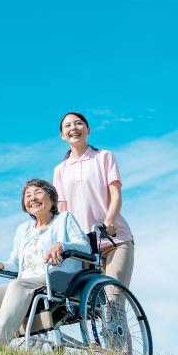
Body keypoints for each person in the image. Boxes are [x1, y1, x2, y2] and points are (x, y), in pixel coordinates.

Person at [0, 179, 90, 349]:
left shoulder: (64, 219)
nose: (32, 198)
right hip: (26, 282)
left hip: (56, 278)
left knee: (17, 285)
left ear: (51, 198)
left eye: (38, 193)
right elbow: (16, 263)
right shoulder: (23, 230)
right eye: (28, 195)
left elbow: (85, 245)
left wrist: (62, 245)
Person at [53, 112, 134, 288]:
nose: (73, 128)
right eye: (68, 125)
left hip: (114, 239)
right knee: (91, 302)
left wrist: (109, 221)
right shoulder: (60, 170)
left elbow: (116, 195)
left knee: (113, 297)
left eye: (78, 123)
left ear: (88, 129)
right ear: (62, 135)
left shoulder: (104, 157)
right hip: (84, 247)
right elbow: (63, 211)